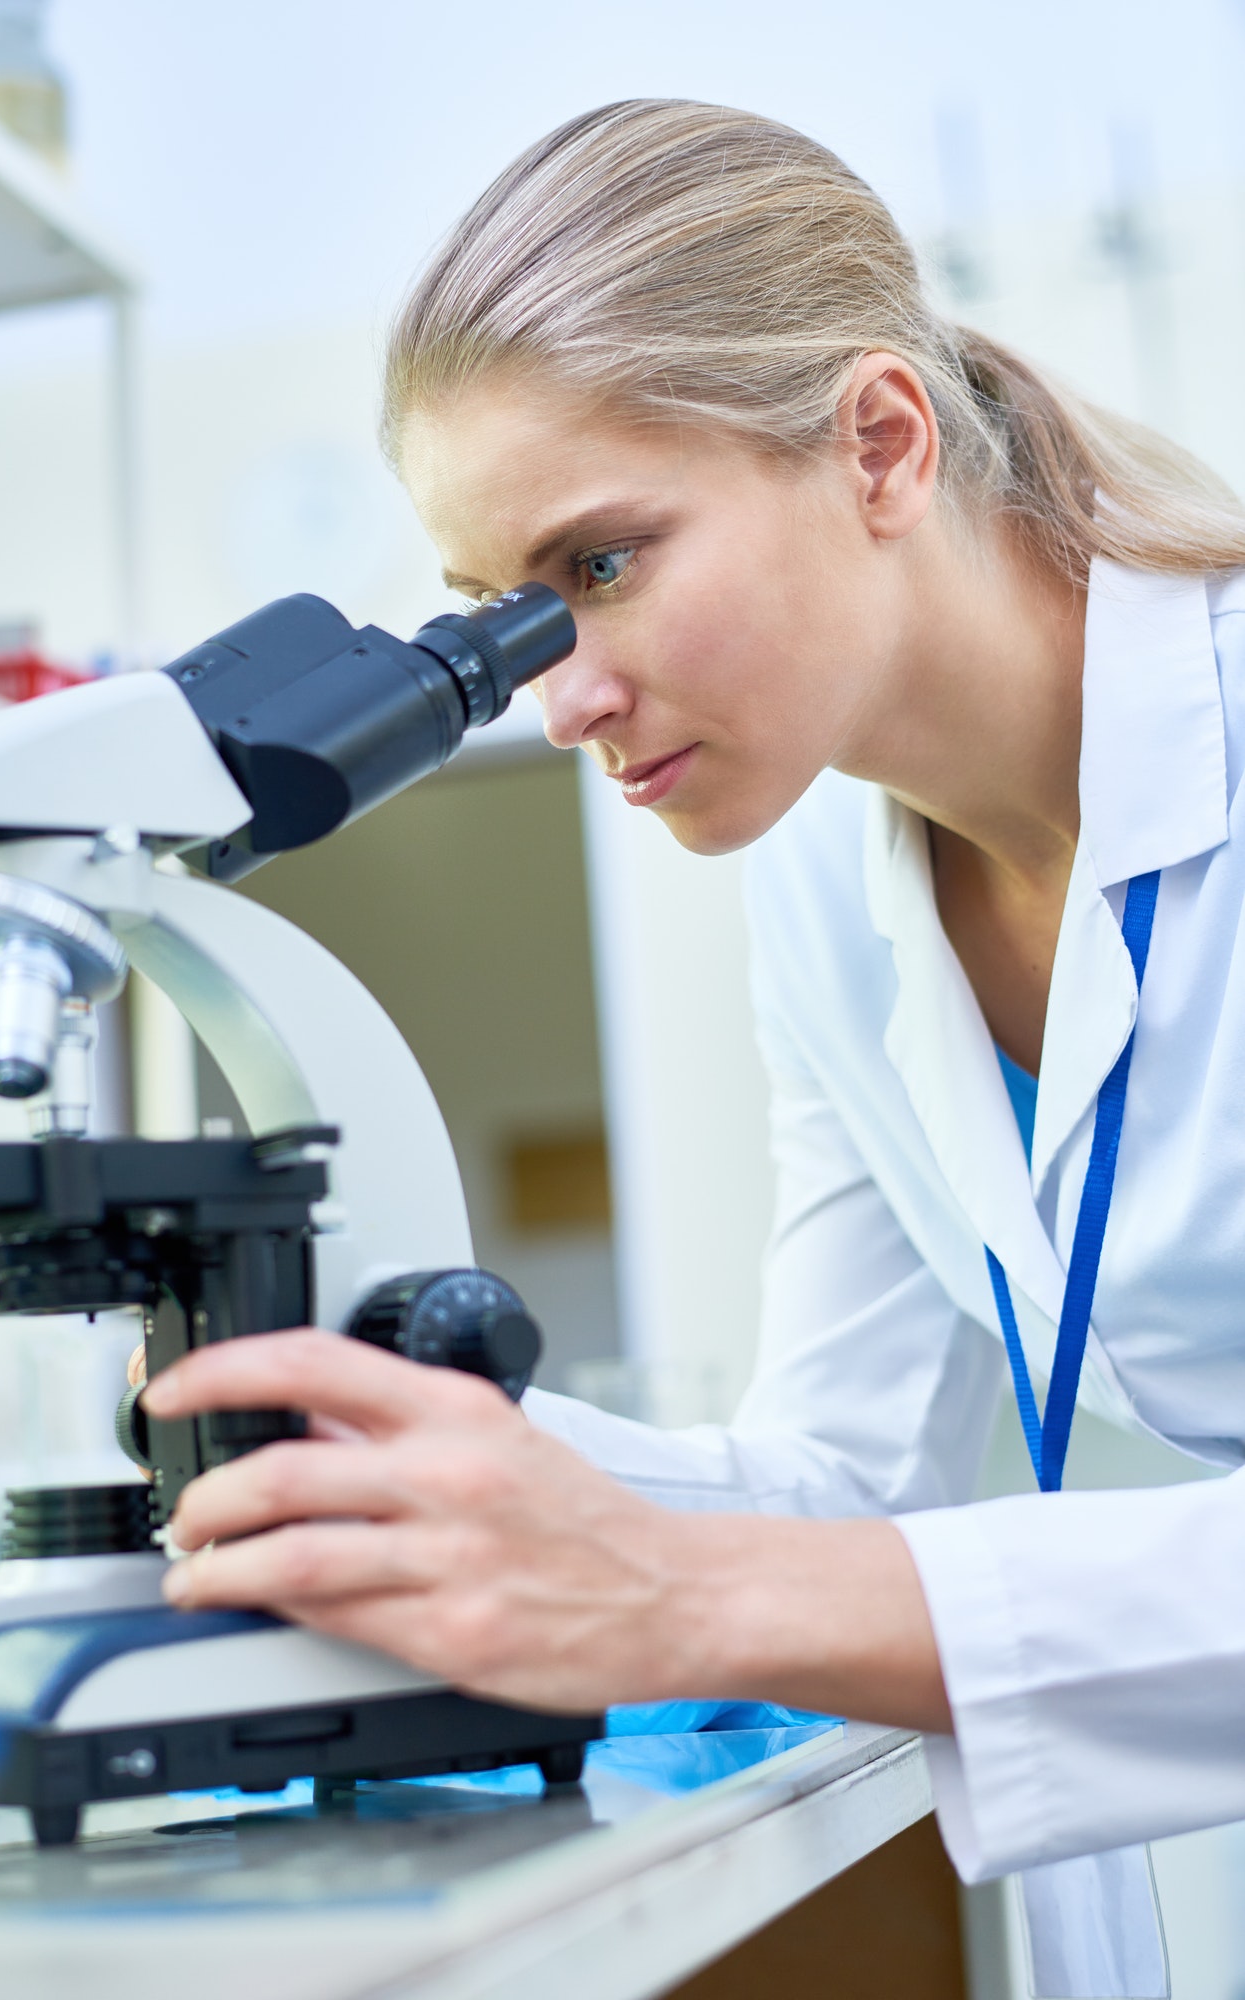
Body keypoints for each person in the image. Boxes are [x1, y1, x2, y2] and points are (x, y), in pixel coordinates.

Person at [136, 100, 1245, 1994]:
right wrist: (397, 1459)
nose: (559, 699)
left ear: (881, 444)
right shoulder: (825, 884)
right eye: (509, 615)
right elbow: (844, 1476)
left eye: (604, 566)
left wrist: (686, 1590)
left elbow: (783, 1570)